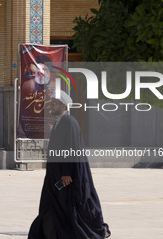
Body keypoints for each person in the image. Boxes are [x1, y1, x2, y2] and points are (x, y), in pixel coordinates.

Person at [28, 91, 111, 239]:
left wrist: (66, 173)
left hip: (66, 176)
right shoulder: (60, 122)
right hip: (55, 174)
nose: (51, 106)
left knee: (65, 205)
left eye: (54, 103)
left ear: (64, 105)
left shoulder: (69, 122)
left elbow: (71, 149)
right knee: (52, 205)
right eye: (51, 103)